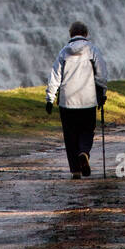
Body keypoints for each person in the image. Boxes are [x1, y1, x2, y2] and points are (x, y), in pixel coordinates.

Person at [45, 21, 108, 178]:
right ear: (85, 34)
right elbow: (101, 74)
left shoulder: (63, 52)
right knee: (87, 130)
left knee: (70, 135)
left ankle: (75, 170)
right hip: (88, 100)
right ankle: (84, 152)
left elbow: (55, 77)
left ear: (71, 34)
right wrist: (102, 93)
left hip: (67, 101)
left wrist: (49, 98)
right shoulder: (92, 50)